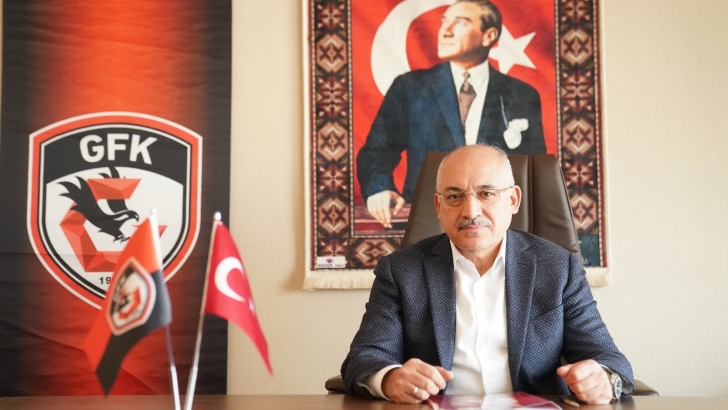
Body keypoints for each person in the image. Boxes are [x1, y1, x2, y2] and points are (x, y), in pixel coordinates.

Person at [342, 145, 633, 405]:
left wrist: (604, 380)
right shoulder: (401, 271)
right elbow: (363, 358)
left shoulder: (557, 268)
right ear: (439, 206)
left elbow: (610, 360)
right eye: (454, 196)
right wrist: (390, 379)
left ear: (513, 200)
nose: (471, 211)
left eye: (487, 193)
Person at [357, 0, 546, 229]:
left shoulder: (522, 95)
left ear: (489, 36)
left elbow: (535, 170)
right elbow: (377, 151)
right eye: (444, 22)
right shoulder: (410, 88)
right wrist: (379, 189)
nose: (444, 32)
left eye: (460, 23)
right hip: (426, 224)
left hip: (498, 228)